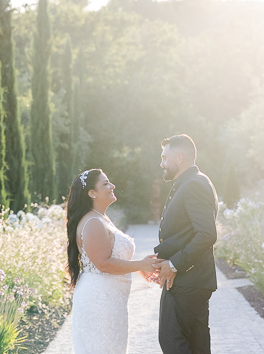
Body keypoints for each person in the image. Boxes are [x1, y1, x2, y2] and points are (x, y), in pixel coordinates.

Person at [66, 168, 159, 354]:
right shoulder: (93, 222)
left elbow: (111, 256)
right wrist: (140, 264)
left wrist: (138, 268)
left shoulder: (101, 218)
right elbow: (103, 263)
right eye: (106, 183)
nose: (112, 186)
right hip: (100, 298)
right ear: (92, 193)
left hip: (111, 297)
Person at [152, 134, 218, 354]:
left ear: (179, 158)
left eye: (164, 158)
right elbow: (186, 232)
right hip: (191, 281)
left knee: (173, 342)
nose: (162, 163)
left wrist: (174, 264)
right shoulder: (193, 181)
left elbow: (207, 234)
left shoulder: (193, 184)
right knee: (195, 346)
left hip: (187, 282)